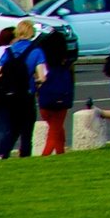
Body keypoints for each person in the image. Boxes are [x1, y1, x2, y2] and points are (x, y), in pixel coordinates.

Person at [0, 22, 39, 159]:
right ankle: (25, 155)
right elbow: (42, 75)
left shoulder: (8, 51)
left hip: (9, 95)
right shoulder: (36, 51)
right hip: (27, 94)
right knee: (27, 131)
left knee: (11, 127)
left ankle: (3, 154)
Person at [31, 23, 74, 155]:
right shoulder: (67, 64)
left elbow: (38, 78)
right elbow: (71, 81)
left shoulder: (43, 63)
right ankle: (46, 154)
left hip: (45, 97)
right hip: (61, 97)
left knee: (55, 128)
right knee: (55, 129)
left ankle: (60, 152)